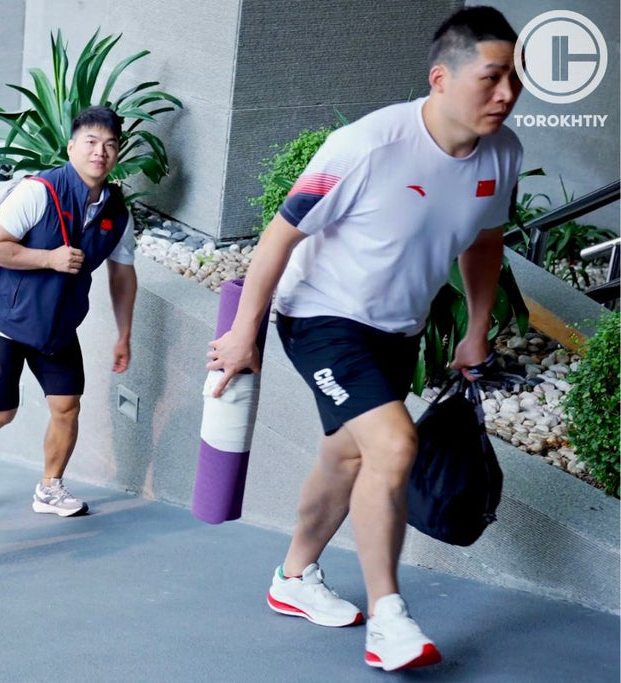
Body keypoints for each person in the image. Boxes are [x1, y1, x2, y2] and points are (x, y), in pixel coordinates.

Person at [207, 6, 523, 672]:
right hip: (321, 316)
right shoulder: (368, 146)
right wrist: (243, 333)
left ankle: (294, 577)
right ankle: (389, 618)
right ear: (441, 78)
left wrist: (475, 328)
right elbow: (280, 234)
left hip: (397, 328)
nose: (506, 94)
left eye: (514, 79)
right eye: (492, 78)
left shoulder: (503, 154)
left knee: (347, 456)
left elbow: (485, 241)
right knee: (394, 443)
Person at [0, 106, 138, 516]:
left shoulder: (117, 212)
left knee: (67, 407)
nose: (100, 152)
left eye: (109, 144)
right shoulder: (40, 192)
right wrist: (49, 259)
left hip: (58, 328)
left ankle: (49, 489)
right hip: (6, 324)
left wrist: (124, 333)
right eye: (91, 142)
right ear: (71, 147)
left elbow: (122, 274)